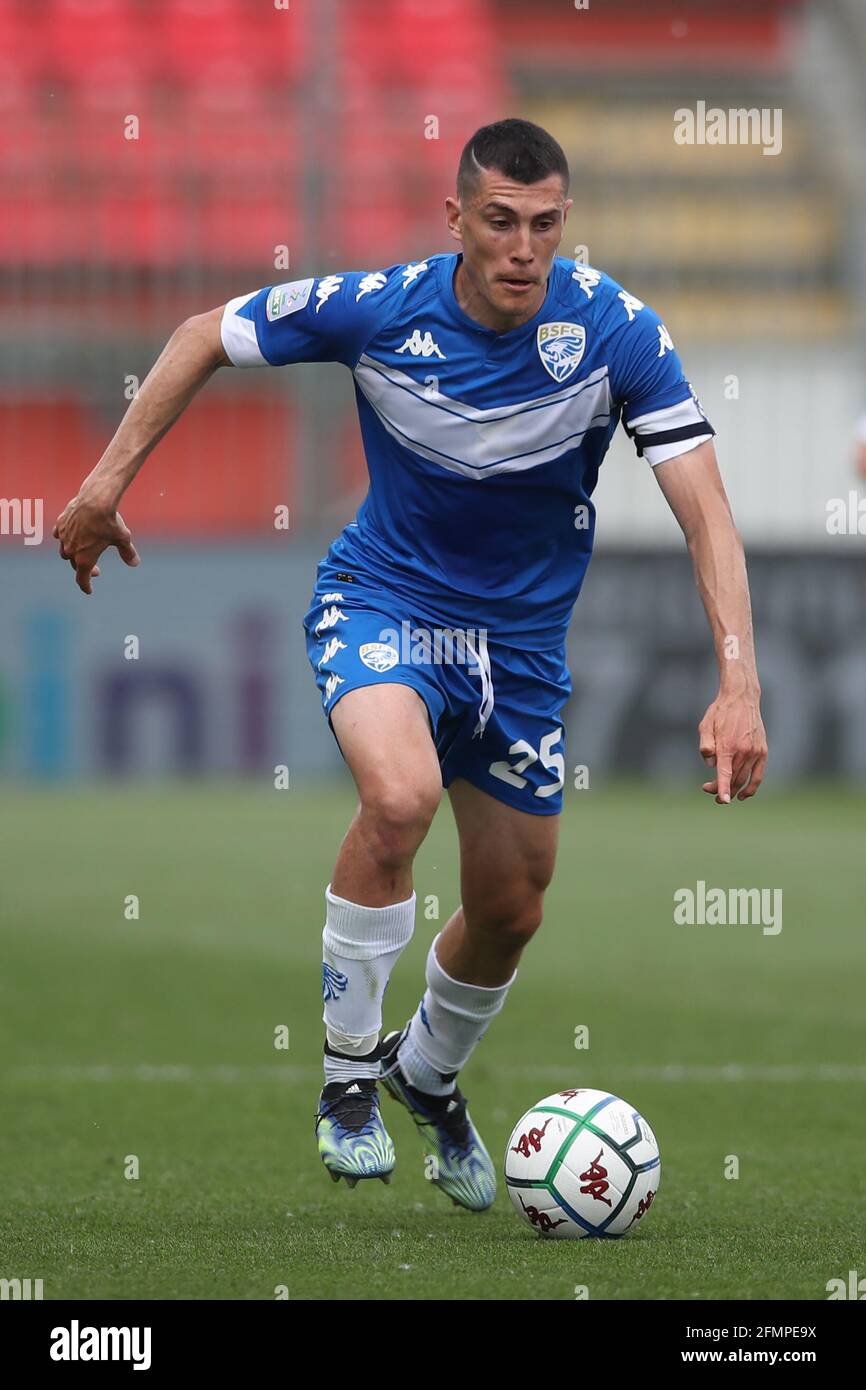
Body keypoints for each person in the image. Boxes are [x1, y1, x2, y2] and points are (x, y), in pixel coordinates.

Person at [53, 118, 768, 1212]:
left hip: (518, 654)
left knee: (510, 905)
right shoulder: (383, 308)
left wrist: (738, 680)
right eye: (498, 222)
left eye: (542, 224)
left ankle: (423, 1077)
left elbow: (706, 512)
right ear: (455, 221)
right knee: (397, 798)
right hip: (383, 601)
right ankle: (344, 1077)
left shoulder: (616, 330)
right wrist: (104, 486)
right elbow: (204, 330)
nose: (522, 247)